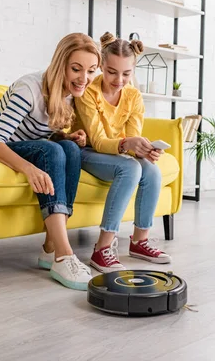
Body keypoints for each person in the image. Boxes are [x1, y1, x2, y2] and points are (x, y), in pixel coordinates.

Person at [0, 32, 100, 291]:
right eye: (76, 69)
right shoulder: (29, 88)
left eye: (91, 71)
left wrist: (64, 136)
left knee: (69, 149)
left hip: (17, 148)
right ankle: (64, 255)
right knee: (51, 151)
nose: (84, 78)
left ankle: (51, 247)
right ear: (61, 65)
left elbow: (34, 134)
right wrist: (28, 168)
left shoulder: (69, 92)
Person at [72, 32, 172, 273]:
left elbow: (132, 134)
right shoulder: (88, 92)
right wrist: (128, 144)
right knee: (129, 167)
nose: (119, 80)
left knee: (151, 169)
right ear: (101, 67)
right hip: (85, 150)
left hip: (115, 152)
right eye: (111, 72)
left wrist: (144, 149)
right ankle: (102, 248)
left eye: (126, 74)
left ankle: (139, 241)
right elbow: (97, 140)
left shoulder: (133, 96)